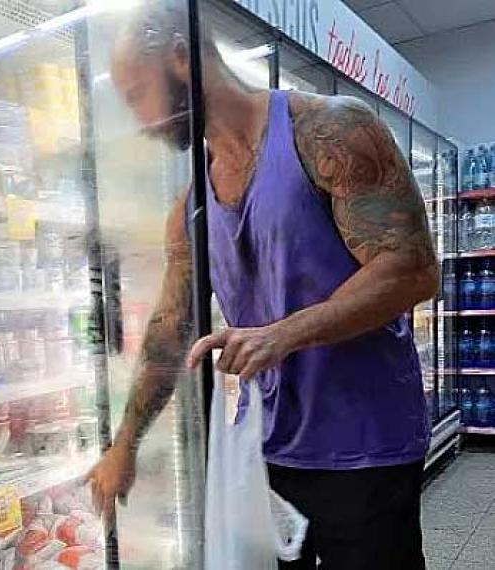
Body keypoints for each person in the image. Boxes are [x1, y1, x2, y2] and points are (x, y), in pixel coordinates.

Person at [85, 3, 439, 569]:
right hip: (268, 450)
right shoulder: (191, 208)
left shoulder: (332, 132)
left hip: (366, 446)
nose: (141, 120)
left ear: (181, 57)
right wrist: (124, 444)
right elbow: (170, 327)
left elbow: (411, 268)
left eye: (137, 94)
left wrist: (283, 335)